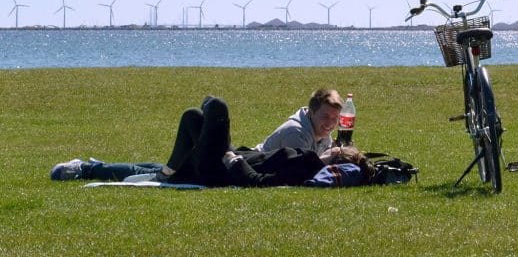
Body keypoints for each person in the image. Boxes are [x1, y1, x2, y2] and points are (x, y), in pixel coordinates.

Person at [50, 88, 345, 182]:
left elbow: (257, 182)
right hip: (229, 158)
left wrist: (231, 159)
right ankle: (94, 168)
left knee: (210, 110)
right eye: (326, 118)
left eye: (340, 153)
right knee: (158, 164)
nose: (331, 127)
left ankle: (88, 168)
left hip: (219, 169)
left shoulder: (309, 164)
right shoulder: (301, 140)